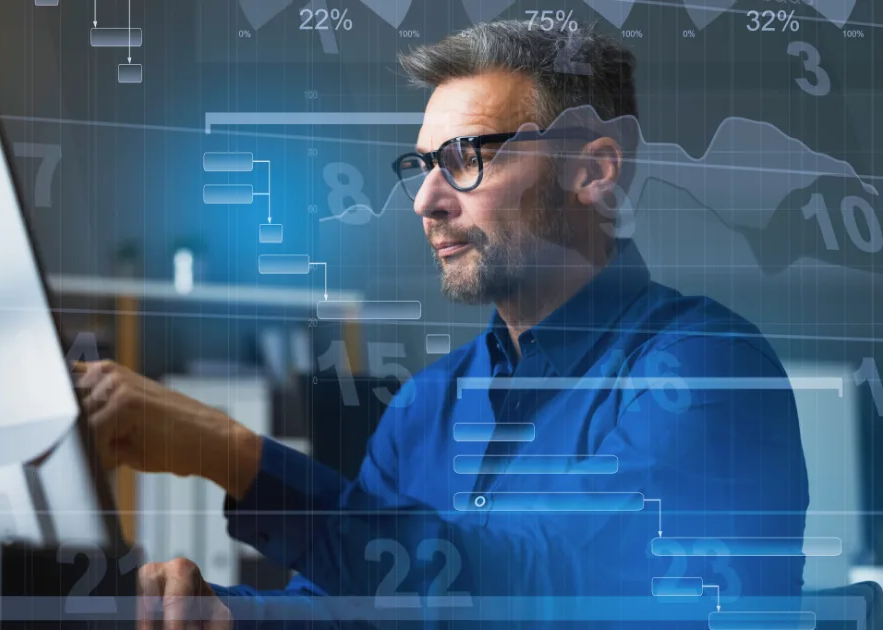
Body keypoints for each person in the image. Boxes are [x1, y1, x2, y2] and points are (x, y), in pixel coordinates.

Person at [74, 19, 809, 630]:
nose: (426, 200)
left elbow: (535, 582)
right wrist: (215, 617)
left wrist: (231, 453)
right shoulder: (428, 405)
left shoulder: (709, 370)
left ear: (593, 173)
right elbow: (350, 612)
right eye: (422, 164)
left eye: (464, 158)